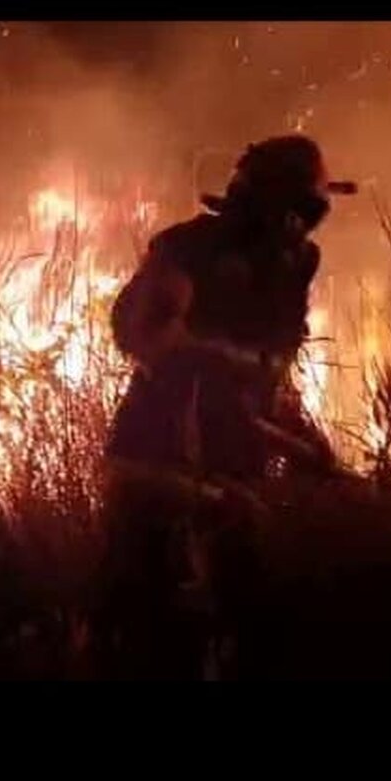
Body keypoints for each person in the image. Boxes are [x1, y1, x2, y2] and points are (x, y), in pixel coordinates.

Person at [94, 134, 351, 677]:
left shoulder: (296, 264)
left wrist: (304, 442)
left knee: (250, 633)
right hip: (159, 466)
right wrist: (224, 364)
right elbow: (143, 334)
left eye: (311, 212)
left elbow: (268, 380)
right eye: (292, 210)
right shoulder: (188, 250)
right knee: (151, 638)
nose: (299, 227)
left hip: (235, 474)